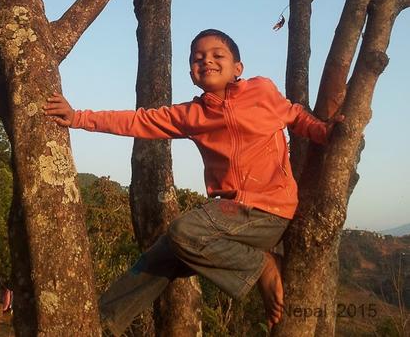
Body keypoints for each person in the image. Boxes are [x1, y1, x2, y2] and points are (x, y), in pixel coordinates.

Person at [44, 29, 339, 333]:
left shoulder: (262, 91)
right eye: (198, 58)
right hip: (231, 215)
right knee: (158, 258)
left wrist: (326, 133)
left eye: (217, 55)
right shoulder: (192, 114)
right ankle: (102, 325)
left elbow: (296, 116)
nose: (206, 60)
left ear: (238, 68)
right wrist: (78, 117)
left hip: (269, 212)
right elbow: (138, 121)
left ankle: (261, 265)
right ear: (191, 73)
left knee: (182, 232)